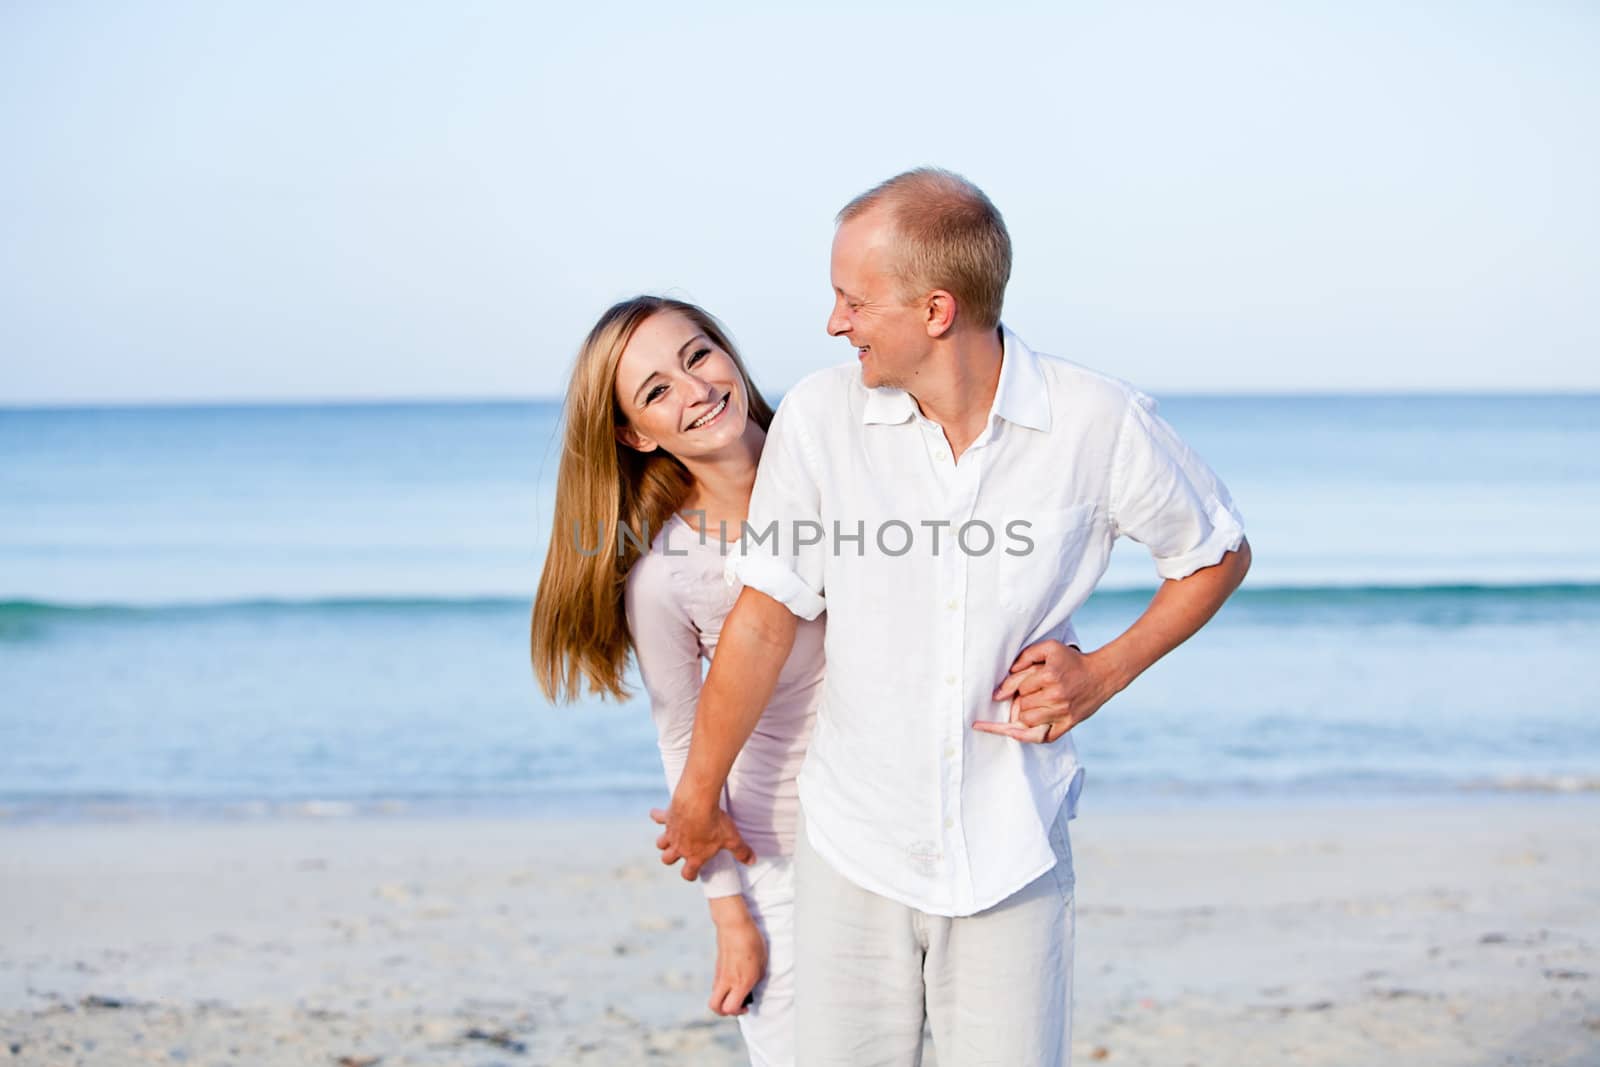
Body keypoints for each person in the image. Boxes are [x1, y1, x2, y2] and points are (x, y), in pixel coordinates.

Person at [655, 169, 1253, 1066]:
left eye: (853, 301)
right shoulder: (823, 416)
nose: (833, 323)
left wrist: (1104, 671)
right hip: (850, 846)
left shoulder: (1097, 422)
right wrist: (696, 799)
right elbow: (763, 618)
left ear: (935, 310)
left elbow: (1215, 551)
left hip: (1012, 845)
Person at [531, 296, 821, 1067]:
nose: (694, 390)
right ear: (635, 434)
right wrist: (731, 918)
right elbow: (682, 741)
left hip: (893, 827)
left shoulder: (838, 467)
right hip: (780, 858)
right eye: (656, 391)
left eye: (697, 357)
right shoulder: (667, 576)